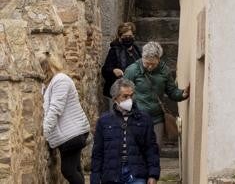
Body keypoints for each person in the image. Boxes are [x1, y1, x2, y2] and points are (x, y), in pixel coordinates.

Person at [90, 78, 160, 184]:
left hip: (137, 172)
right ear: (115, 98)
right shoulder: (104, 121)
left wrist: (153, 175)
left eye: (131, 96)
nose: (129, 100)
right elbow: (98, 152)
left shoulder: (144, 119)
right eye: (125, 96)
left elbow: (151, 148)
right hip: (112, 174)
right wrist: (95, 179)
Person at [122, 42, 188, 151]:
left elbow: (171, 91)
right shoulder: (132, 70)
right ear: (142, 58)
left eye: (153, 64)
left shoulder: (164, 71)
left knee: (155, 150)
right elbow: (122, 93)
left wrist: (182, 94)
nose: (150, 66)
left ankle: (153, 168)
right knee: (137, 150)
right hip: (136, 117)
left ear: (159, 59)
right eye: (147, 63)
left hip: (157, 119)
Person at [40, 52, 90, 184]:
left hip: (72, 133)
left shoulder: (60, 80)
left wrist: (44, 132)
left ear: (45, 67)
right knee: (75, 168)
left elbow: (55, 109)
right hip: (69, 133)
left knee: (68, 170)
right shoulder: (50, 83)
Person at [100, 22, 142, 98]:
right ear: (120, 37)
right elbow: (105, 70)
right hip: (119, 92)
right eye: (125, 36)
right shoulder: (114, 50)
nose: (128, 38)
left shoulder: (137, 50)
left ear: (133, 36)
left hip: (134, 91)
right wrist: (113, 70)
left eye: (130, 36)